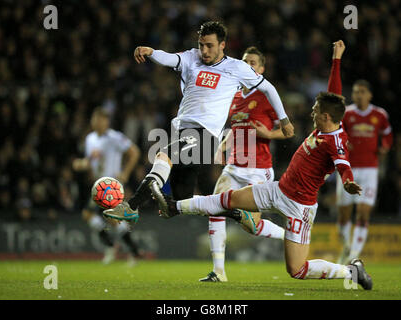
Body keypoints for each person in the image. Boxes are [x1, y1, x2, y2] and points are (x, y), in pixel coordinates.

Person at [148, 41, 373, 290]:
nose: (311, 112)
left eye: (315, 109)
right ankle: (174, 207)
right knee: (225, 200)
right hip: (278, 189)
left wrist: (348, 180)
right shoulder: (327, 122)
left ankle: (350, 271)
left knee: (297, 270)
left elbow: (342, 162)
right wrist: (336, 60)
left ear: (326, 116)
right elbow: (334, 96)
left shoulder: (335, 140)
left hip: (300, 205)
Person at [103, 21, 294, 221]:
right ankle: (237, 213)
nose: (204, 50)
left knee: (164, 155)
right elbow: (170, 58)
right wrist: (151, 52)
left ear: (222, 45)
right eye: (201, 44)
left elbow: (268, 88)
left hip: (205, 136)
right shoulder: (191, 57)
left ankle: (131, 206)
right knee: (181, 201)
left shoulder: (237, 67)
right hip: (183, 132)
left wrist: (284, 120)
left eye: (209, 45)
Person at [200, 46, 288, 282]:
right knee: (213, 208)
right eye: (244, 62)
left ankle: (291, 235)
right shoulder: (235, 96)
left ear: (261, 69)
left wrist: (269, 135)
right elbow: (237, 128)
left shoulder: (268, 96)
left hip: (258, 169)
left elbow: (289, 131)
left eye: (252, 62)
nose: (247, 66)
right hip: (234, 165)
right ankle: (218, 271)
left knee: (252, 226)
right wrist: (223, 145)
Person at [73, 107, 142, 265]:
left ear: (107, 122)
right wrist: (83, 165)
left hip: (111, 184)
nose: (99, 122)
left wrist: (125, 173)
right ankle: (132, 251)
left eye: (103, 119)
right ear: (92, 120)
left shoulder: (114, 137)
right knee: (112, 220)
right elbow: (91, 162)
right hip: (98, 184)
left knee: (89, 214)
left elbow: (134, 152)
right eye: (96, 119)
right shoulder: (90, 138)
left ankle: (112, 247)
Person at [336, 80, 393, 264]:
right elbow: (338, 133)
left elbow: (388, 134)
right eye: (355, 92)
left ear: (370, 95)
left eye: (362, 92)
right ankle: (345, 247)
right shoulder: (347, 113)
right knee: (344, 213)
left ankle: (353, 254)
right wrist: (344, 141)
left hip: (369, 169)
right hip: (348, 168)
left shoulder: (379, 114)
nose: (359, 95)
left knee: (363, 212)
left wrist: (384, 146)